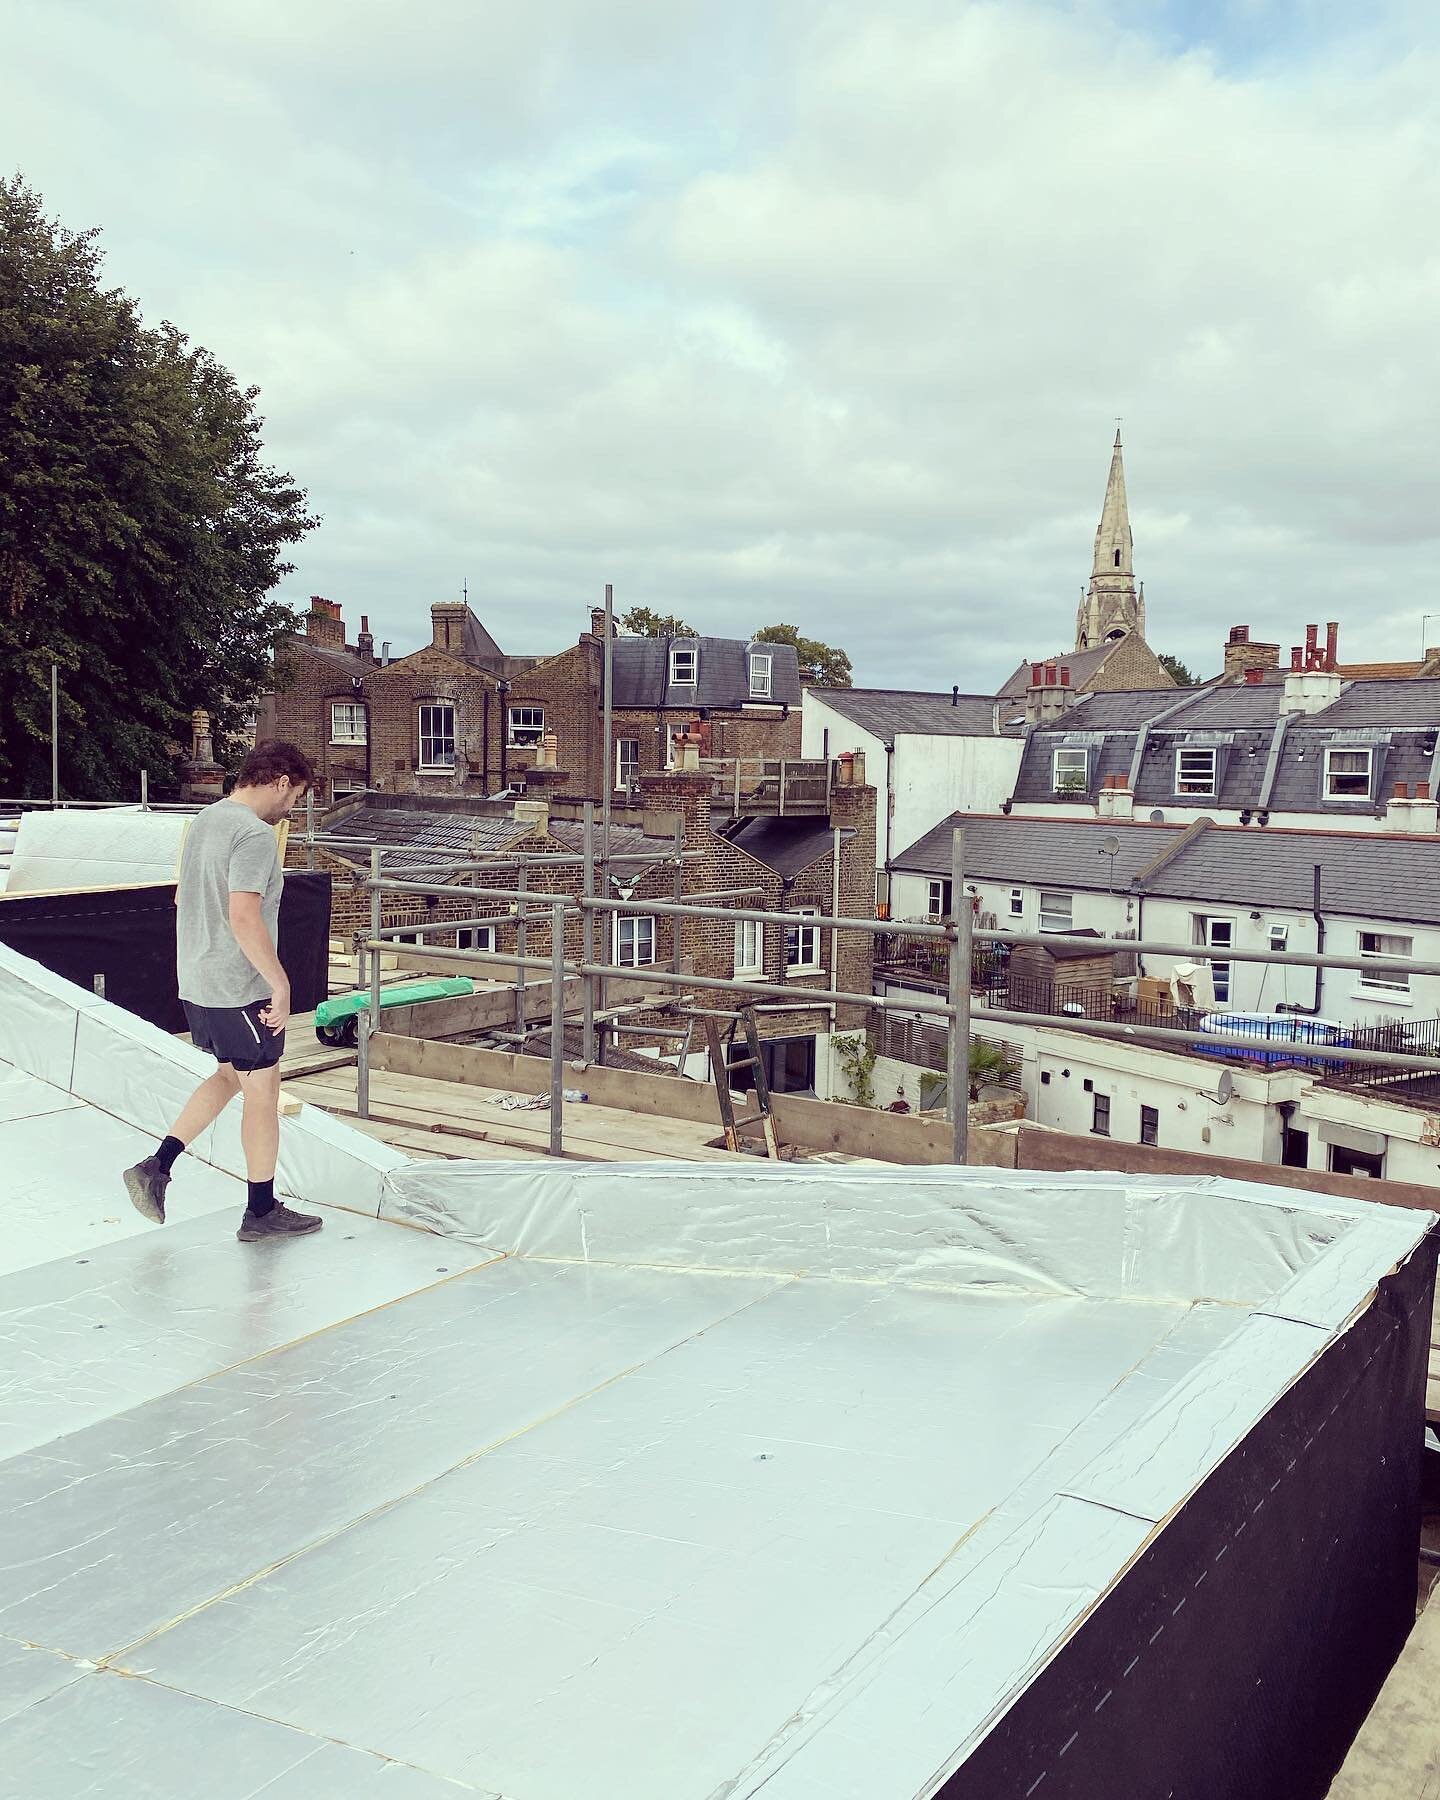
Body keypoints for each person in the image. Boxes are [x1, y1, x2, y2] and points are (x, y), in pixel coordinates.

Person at [123, 740, 324, 1242]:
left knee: (229, 1077)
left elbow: (181, 897)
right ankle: (260, 1212)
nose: (292, 809)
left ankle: (157, 1165)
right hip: (241, 987)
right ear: (281, 782)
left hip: (198, 981)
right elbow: (243, 914)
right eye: (296, 796)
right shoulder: (254, 835)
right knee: (263, 1093)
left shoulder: (205, 821)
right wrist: (280, 984)